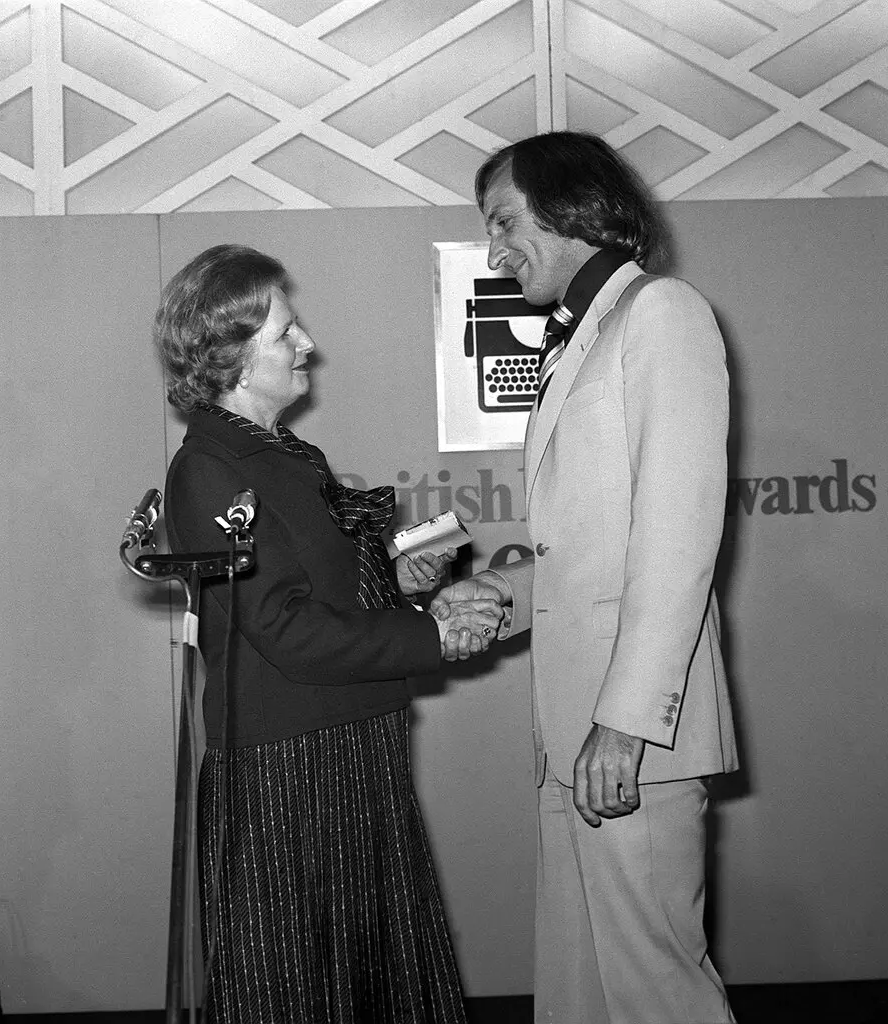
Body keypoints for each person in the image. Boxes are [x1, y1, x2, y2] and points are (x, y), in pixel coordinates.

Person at [154, 244, 502, 1024]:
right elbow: (283, 629)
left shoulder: (286, 455)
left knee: (367, 973)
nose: (306, 342)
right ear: (234, 361)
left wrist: (402, 579)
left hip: (349, 742)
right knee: (290, 987)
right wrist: (429, 638)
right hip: (287, 767)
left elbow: (322, 590)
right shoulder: (208, 471)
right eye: (285, 333)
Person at [434, 132, 738, 1023]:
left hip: (626, 733)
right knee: (580, 989)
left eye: (502, 220)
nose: (492, 251)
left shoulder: (663, 313)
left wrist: (624, 723)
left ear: (570, 206)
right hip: (571, 730)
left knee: (656, 990)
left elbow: (677, 539)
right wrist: (499, 593)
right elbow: (585, 551)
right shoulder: (579, 340)